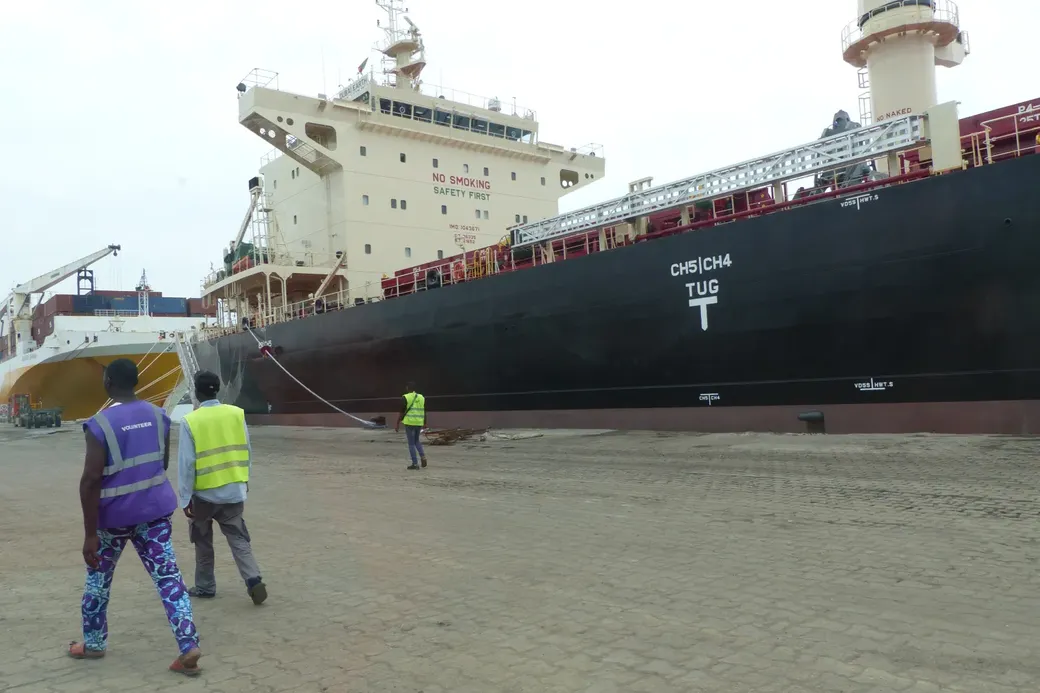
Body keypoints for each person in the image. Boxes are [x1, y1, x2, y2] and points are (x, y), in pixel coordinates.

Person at [70, 358, 202, 676]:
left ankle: (94, 643)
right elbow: (163, 462)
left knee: (99, 581)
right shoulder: (159, 416)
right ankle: (188, 646)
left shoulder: (99, 425)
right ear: (137, 382)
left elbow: (90, 482)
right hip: (154, 514)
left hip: (112, 519)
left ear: (109, 382)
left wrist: (90, 534)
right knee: (169, 580)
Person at [177, 370, 267, 605]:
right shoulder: (236, 414)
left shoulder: (190, 420)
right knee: (238, 538)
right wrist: (243, 479)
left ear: (195, 392)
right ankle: (253, 578)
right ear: (219, 389)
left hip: (203, 496)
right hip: (233, 490)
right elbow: (247, 449)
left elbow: (187, 464)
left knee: (203, 541)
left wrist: (184, 498)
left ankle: (206, 586)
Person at [395, 381, 427, 470]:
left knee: (411, 443)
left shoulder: (405, 397)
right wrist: (425, 422)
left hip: (409, 422)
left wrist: (397, 423)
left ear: (407, 388)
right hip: (419, 422)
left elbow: (401, 411)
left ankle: (415, 464)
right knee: (417, 441)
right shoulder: (421, 397)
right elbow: (424, 410)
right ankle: (423, 456)